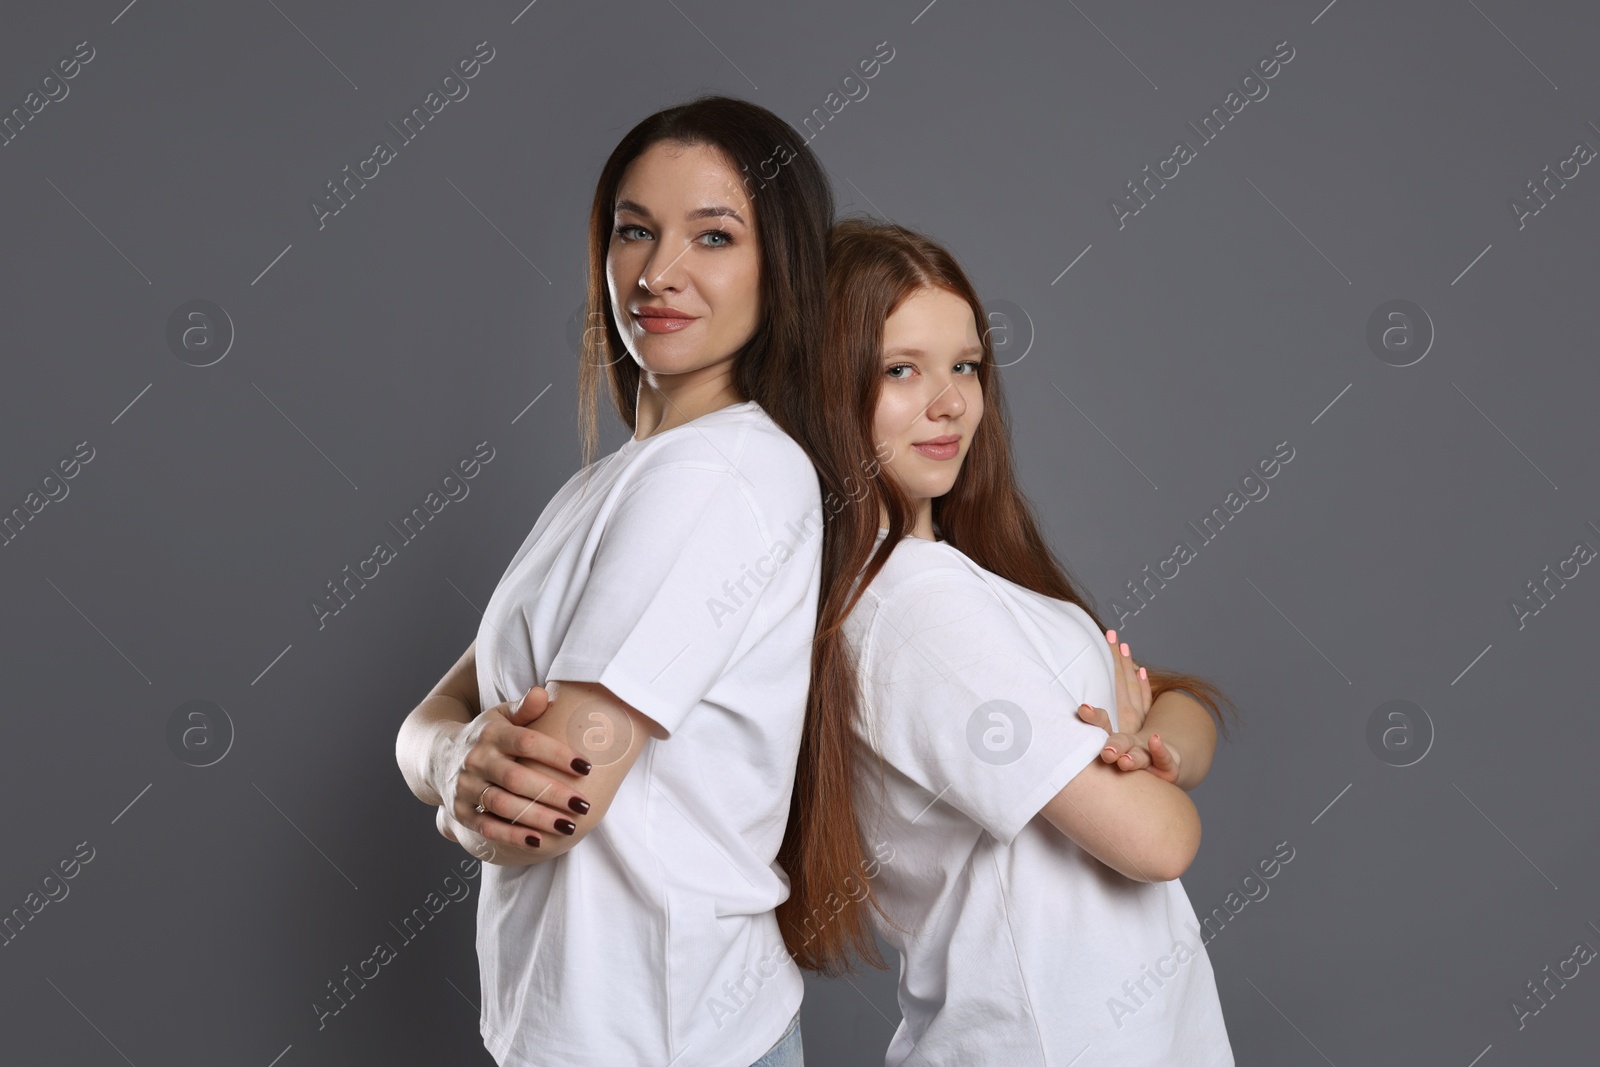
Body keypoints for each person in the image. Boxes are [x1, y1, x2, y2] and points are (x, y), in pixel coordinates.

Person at [393, 95, 845, 1067]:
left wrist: (453, 766)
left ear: (782, 265)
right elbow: (435, 713)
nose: (658, 271)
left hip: (669, 1037)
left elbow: (540, 811)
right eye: (634, 230)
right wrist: (452, 759)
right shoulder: (604, 485)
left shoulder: (716, 475)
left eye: (712, 235)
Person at [782, 216, 1239, 1065]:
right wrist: (1134, 753)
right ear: (824, 388)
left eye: (965, 365)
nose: (950, 400)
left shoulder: (964, 575)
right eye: (900, 370)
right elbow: (1161, 840)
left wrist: (1147, 745)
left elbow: (1183, 707)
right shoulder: (909, 609)